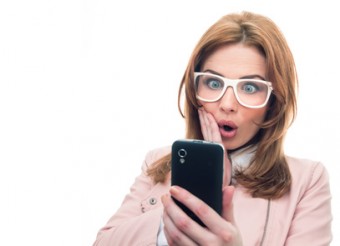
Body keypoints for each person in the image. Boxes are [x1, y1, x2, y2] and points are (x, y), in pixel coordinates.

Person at [93, 11, 332, 245]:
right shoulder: (158, 162)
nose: (227, 105)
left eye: (250, 88)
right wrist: (192, 197)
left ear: (273, 102)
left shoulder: (307, 180)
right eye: (214, 83)